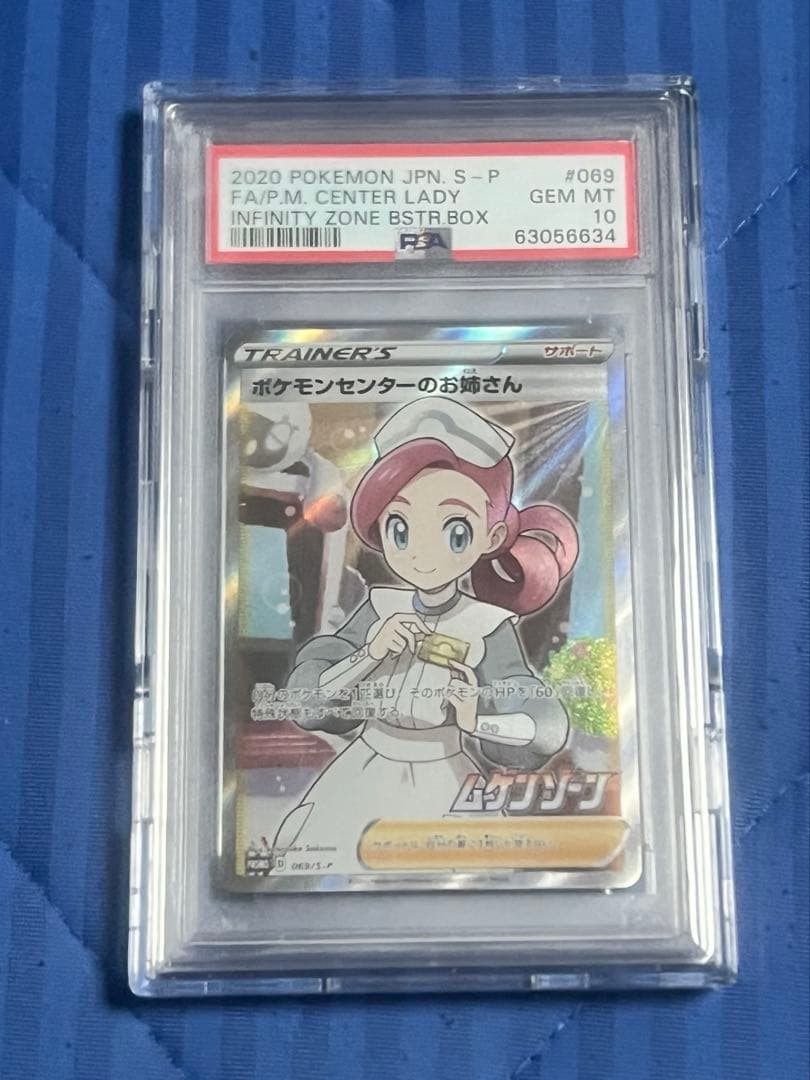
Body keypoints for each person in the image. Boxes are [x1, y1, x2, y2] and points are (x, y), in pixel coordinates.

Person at [272, 397, 579, 872]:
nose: (421, 554)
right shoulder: (380, 607)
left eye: (455, 532)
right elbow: (307, 700)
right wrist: (368, 654)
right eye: (400, 528)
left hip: (445, 774)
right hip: (365, 768)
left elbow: (543, 725)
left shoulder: (486, 624)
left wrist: (476, 719)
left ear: (491, 538)